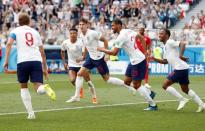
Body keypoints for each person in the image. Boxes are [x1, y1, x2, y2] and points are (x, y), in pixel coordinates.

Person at [67, 18, 136, 103]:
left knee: (107, 79)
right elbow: (86, 46)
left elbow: (105, 40)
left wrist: (107, 54)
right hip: (91, 58)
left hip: (99, 58)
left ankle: (129, 86)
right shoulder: (81, 35)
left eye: (83, 24)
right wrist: (83, 57)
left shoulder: (93, 33)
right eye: (80, 25)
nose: (81, 26)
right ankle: (76, 96)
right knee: (79, 74)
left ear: (87, 25)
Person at [3, 13, 56, 119]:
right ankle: (43, 88)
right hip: (36, 60)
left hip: (23, 61)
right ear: (29, 22)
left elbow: (9, 44)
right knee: (38, 86)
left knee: (23, 86)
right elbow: (42, 52)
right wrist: (45, 69)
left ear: (19, 21)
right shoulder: (35, 32)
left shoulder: (15, 31)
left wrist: (6, 61)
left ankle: (31, 113)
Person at [97, 19, 157, 111]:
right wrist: (145, 52)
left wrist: (101, 49)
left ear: (118, 25)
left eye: (113, 26)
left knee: (137, 85)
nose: (111, 27)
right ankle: (149, 92)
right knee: (127, 82)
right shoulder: (128, 31)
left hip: (138, 61)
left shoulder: (121, 37)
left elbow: (114, 53)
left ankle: (153, 105)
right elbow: (141, 37)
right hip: (134, 60)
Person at [151, 29, 205, 112]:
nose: (159, 35)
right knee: (185, 89)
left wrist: (180, 56)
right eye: (159, 34)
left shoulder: (170, 42)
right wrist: (153, 58)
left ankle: (182, 99)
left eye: (162, 34)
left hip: (180, 68)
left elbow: (182, 44)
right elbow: (165, 61)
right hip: (183, 68)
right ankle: (201, 104)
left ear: (167, 35)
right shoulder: (165, 47)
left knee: (165, 85)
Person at [61, 27, 97, 104]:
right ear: (69, 34)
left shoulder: (81, 42)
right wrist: (64, 63)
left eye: (74, 33)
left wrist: (82, 57)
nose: (72, 35)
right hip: (72, 64)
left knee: (89, 83)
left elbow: (85, 52)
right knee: (72, 80)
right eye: (71, 33)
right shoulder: (65, 42)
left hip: (82, 65)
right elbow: (62, 52)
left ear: (77, 34)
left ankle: (94, 97)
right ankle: (79, 90)